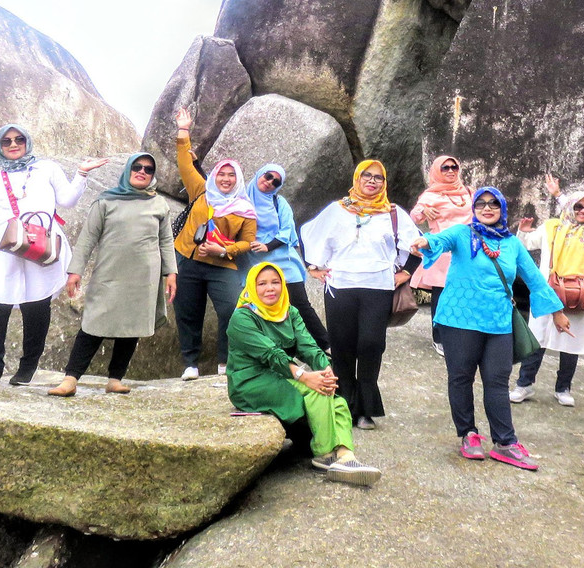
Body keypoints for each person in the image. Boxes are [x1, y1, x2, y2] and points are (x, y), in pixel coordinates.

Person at [411, 187, 571, 471]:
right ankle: (468, 434)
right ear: (474, 208)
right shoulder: (463, 234)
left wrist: (557, 312)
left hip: (498, 322)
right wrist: (424, 242)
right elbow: (439, 239)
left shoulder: (511, 244)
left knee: (497, 381)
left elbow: (533, 278)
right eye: (481, 204)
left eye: (493, 204)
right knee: (461, 377)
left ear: (501, 209)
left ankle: (505, 442)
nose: (487, 208)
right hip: (459, 319)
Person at [0, 124, 108, 384]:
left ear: (27, 141)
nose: (13, 144)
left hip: (40, 242)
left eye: (19, 139)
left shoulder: (47, 168)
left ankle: (27, 368)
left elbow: (68, 200)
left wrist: (81, 173)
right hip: (3, 245)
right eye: (6, 141)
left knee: (37, 303)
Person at [227, 262, 381, 486]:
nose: (270, 288)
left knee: (335, 398)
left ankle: (346, 456)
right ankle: (326, 453)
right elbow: (272, 355)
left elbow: (308, 346)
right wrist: (305, 376)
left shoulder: (289, 311)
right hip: (251, 382)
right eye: (262, 284)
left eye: (275, 282)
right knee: (315, 392)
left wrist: (325, 370)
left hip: (283, 376)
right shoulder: (242, 318)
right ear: (251, 287)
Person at [300, 160, 421, 431]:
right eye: (366, 175)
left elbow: (416, 244)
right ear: (357, 177)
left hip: (377, 288)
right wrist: (314, 266)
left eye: (378, 177)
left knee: (370, 345)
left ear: (384, 182)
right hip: (340, 286)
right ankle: (344, 405)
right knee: (341, 347)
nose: (372, 181)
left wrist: (405, 273)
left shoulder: (392, 212)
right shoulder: (337, 210)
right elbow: (310, 233)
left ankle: (366, 408)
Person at [48, 154, 178, 397]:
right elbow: (88, 238)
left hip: (144, 277)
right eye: (137, 167)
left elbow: (166, 241)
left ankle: (115, 379)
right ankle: (70, 379)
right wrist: (75, 270)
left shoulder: (159, 204)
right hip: (110, 273)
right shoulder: (106, 201)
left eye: (148, 169)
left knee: (132, 325)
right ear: (128, 169)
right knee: (93, 324)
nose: (142, 172)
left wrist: (171, 272)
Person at [510, 190, 584, 407]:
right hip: (548, 290)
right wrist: (523, 232)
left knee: (572, 342)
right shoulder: (552, 226)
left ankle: (563, 388)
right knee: (538, 338)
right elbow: (529, 243)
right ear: (569, 207)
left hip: (576, 294)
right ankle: (524, 384)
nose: (583, 211)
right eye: (578, 207)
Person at [172, 107, 257, 380]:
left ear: (238, 180)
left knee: (232, 310)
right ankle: (190, 363)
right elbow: (186, 163)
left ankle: (225, 363)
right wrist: (183, 131)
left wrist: (224, 250)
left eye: (231, 176)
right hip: (189, 258)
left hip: (222, 265)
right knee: (187, 312)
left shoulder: (245, 207)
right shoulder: (201, 191)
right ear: (215, 175)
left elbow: (248, 242)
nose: (225, 179)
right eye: (222, 174)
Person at [241, 163, 329, 352]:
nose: (269, 182)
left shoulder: (279, 203)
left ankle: (327, 345)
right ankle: (281, 354)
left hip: (283, 262)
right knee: (263, 311)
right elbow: (211, 185)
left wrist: (267, 246)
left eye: (276, 181)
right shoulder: (241, 199)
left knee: (301, 306)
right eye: (267, 176)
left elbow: (287, 231)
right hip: (254, 262)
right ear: (259, 174)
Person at [409, 155, 473, 357]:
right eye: (445, 168)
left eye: (454, 166)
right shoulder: (430, 195)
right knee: (441, 295)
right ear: (437, 170)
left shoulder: (468, 191)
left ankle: (461, 334)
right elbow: (414, 217)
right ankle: (439, 337)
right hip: (443, 251)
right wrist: (423, 209)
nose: (451, 171)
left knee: (464, 292)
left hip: (466, 250)